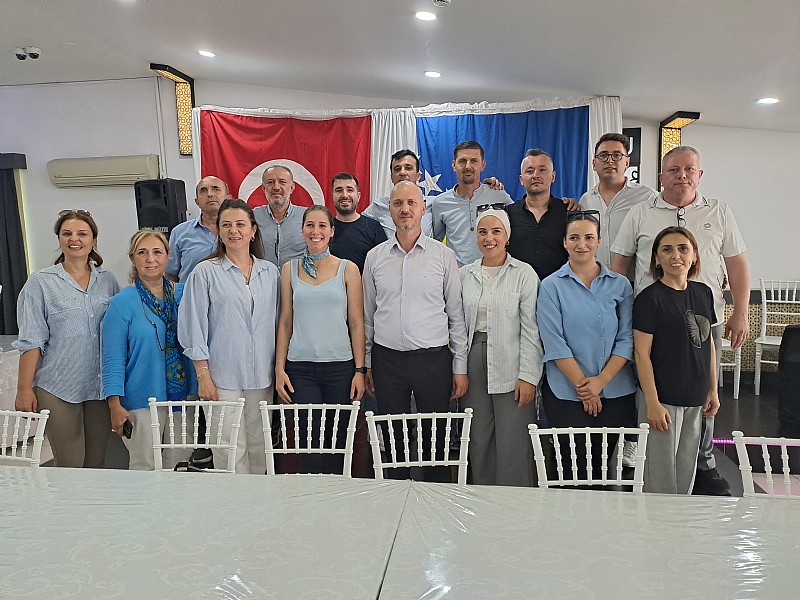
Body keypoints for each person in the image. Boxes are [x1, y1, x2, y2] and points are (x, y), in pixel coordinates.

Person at [611, 146, 749, 496]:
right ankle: (654, 472)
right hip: (653, 322)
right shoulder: (641, 212)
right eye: (673, 170)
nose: (681, 175)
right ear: (661, 175)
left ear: (699, 174)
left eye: (689, 169)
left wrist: (741, 312)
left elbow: (736, 264)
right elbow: (619, 264)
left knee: (700, 397)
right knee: (655, 399)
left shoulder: (719, 212)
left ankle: (700, 467)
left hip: (705, 317)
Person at [363, 180, 469, 482]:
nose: (405, 209)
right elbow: (368, 315)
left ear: (423, 208)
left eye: (411, 203)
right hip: (387, 361)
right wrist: (369, 363)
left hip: (433, 360)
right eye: (398, 204)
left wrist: (459, 367)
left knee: (435, 440)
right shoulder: (375, 257)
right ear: (390, 211)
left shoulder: (443, 256)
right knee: (393, 441)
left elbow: (456, 317)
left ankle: (437, 505)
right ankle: (395, 502)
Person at [179, 199, 280, 474]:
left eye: (240, 224)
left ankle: (260, 507)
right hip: (220, 377)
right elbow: (193, 326)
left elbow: (278, 324)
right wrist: (203, 376)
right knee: (228, 448)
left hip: (262, 374)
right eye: (226, 225)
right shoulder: (204, 272)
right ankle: (235, 512)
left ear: (253, 230)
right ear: (218, 232)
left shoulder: (270, 273)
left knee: (261, 445)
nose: (233, 230)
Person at [13, 209, 120, 468]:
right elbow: (31, 341)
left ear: (94, 240)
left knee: (96, 461)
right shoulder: (40, 283)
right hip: (58, 386)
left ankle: (91, 510)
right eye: (67, 233)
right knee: (70, 464)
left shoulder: (108, 280)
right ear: (59, 239)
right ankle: (66, 509)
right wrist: (23, 389)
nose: (75, 239)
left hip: (99, 386)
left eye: (83, 234)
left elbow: (117, 332)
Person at [536, 211, 637, 479]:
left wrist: (600, 382)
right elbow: (554, 343)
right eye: (575, 237)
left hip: (615, 391)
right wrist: (586, 389)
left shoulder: (620, 285)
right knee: (571, 471)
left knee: (605, 472)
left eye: (589, 237)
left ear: (599, 242)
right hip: (566, 393)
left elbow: (627, 339)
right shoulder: (550, 287)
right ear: (565, 243)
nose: (582, 244)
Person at [274, 205, 366, 474]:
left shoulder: (348, 269)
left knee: (339, 441)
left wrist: (359, 370)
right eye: (310, 225)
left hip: (340, 367)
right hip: (301, 369)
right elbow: (285, 322)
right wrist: (280, 368)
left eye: (322, 226)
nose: (316, 231)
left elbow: (357, 323)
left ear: (331, 231)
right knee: (309, 442)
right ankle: (312, 504)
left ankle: (338, 504)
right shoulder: (288, 270)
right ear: (302, 230)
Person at [459, 208, 543, 486]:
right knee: (478, 438)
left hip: (512, 360)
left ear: (507, 236)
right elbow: (456, 327)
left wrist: (528, 376)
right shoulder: (463, 274)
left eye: (496, 231)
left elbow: (532, 329)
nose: (489, 238)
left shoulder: (524, 274)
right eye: (483, 232)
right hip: (473, 361)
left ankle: (514, 505)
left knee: (513, 439)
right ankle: (481, 501)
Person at [102, 229, 198, 470]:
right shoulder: (121, 303)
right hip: (140, 398)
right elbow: (112, 358)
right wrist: (114, 405)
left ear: (168, 257)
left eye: (157, 252)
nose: (150, 259)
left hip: (182, 396)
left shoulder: (184, 294)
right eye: (142, 253)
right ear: (132, 259)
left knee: (181, 464)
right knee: (145, 467)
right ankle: (145, 509)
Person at [633, 226, 719, 494]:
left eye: (683, 248)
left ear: (694, 256)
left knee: (686, 475)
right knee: (660, 478)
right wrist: (652, 402)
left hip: (695, 397)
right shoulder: (649, 298)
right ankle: (656, 532)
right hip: (663, 400)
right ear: (657, 259)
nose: (676, 255)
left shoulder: (703, 293)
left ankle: (678, 531)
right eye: (666, 250)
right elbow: (641, 355)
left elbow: (709, 344)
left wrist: (712, 389)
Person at [579, 133, 657, 267]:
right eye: (603, 155)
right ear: (594, 164)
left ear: (627, 162)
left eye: (617, 155)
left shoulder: (647, 197)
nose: (610, 161)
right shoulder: (586, 200)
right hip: (594, 280)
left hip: (634, 282)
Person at [432, 141, 513, 267]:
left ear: (483, 165)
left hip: (495, 274)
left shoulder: (498, 194)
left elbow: (517, 224)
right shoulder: (440, 203)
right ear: (454, 165)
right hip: (457, 277)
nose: (468, 166)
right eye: (462, 161)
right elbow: (435, 244)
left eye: (474, 161)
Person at [506, 148, 571, 281]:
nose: (536, 175)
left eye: (542, 170)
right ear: (521, 179)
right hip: (517, 291)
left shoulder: (568, 213)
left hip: (557, 291)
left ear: (553, 176)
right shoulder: (508, 214)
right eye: (529, 171)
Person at [166, 176, 229, 282]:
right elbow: (170, 274)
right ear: (197, 202)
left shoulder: (238, 232)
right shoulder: (179, 233)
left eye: (216, 189)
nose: (210, 194)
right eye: (203, 191)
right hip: (190, 297)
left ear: (227, 198)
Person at [363, 149, 434, 240]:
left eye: (408, 168)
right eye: (397, 169)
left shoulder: (434, 204)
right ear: (392, 177)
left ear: (418, 176)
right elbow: (357, 225)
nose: (402, 172)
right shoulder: (378, 206)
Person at [328, 172, 387, 272]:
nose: (344, 195)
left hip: (365, 287)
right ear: (333, 196)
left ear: (358, 196)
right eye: (339, 190)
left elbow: (383, 266)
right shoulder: (325, 230)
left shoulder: (374, 228)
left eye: (350, 190)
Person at [253, 165, 307, 267]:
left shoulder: (307, 217)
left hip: (297, 281)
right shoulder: (252, 217)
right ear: (263, 188)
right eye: (270, 182)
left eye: (282, 182)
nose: (276, 187)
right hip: (262, 281)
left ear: (292, 188)